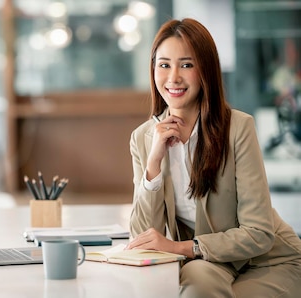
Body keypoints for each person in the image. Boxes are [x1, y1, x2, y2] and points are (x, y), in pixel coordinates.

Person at [127, 18, 301, 297]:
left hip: (268, 260)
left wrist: (182, 248)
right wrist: (153, 164)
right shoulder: (143, 138)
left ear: (205, 70)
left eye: (186, 64)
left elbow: (259, 233)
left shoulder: (238, 128)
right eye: (164, 65)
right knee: (196, 284)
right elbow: (143, 236)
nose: (173, 78)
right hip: (209, 263)